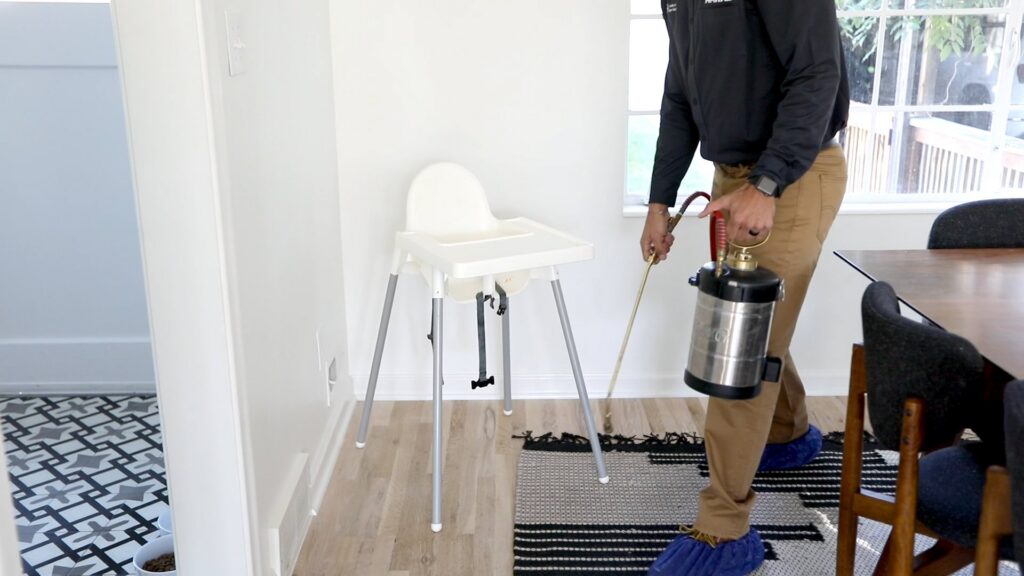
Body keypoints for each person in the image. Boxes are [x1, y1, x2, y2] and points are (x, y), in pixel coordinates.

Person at [639, 1, 850, 574]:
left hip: (793, 176)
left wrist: (769, 181)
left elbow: (817, 72)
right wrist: (660, 202)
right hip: (734, 176)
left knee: (740, 344)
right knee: (756, 327)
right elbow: (679, 98)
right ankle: (788, 432)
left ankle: (722, 528)